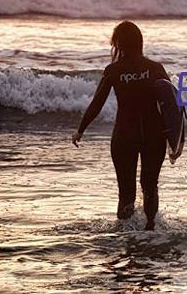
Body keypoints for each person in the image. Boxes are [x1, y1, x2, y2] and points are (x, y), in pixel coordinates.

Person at [72, 21, 169, 230]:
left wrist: (81, 129)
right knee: (150, 186)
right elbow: (171, 105)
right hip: (155, 135)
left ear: (118, 44)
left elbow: (97, 102)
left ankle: (126, 235)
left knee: (126, 192)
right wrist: (176, 141)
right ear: (139, 41)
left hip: (125, 135)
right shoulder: (155, 68)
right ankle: (151, 230)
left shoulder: (114, 70)